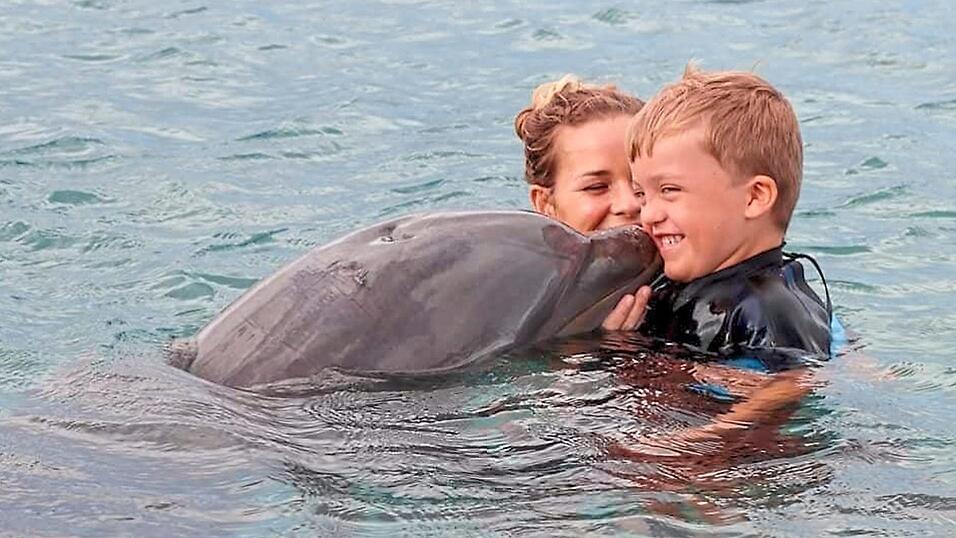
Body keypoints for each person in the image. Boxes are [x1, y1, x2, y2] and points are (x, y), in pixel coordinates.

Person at [628, 65, 831, 368]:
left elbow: (792, 384)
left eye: (669, 190)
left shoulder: (768, 309)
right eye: (642, 195)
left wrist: (730, 418)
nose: (648, 214)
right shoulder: (675, 285)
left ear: (754, 197)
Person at [513, 75, 651, 330]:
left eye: (642, 183)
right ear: (545, 204)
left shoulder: (694, 269)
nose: (630, 204)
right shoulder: (524, 297)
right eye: (596, 187)